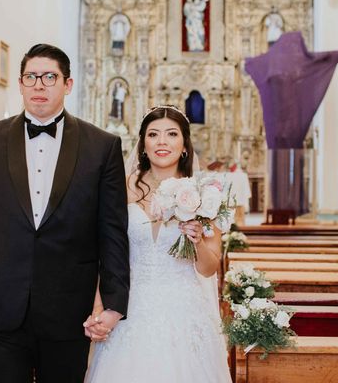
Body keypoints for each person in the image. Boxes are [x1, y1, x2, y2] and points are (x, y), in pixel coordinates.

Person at [0, 43, 130, 383]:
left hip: (68, 310)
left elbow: (112, 231)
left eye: (49, 77)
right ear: (20, 83)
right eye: (31, 76)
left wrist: (114, 302)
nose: (39, 85)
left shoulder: (102, 146)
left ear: (68, 84)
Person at [84, 106, 232, 383]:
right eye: (153, 134)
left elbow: (210, 268)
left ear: (185, 145)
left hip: (183, 311)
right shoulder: (120, 188)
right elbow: (104, 253)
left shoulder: (205, 194)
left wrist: (197, 240)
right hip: (127, 307)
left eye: (171, 134)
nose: (162, 141)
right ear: (143, 144)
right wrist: (98, 307)